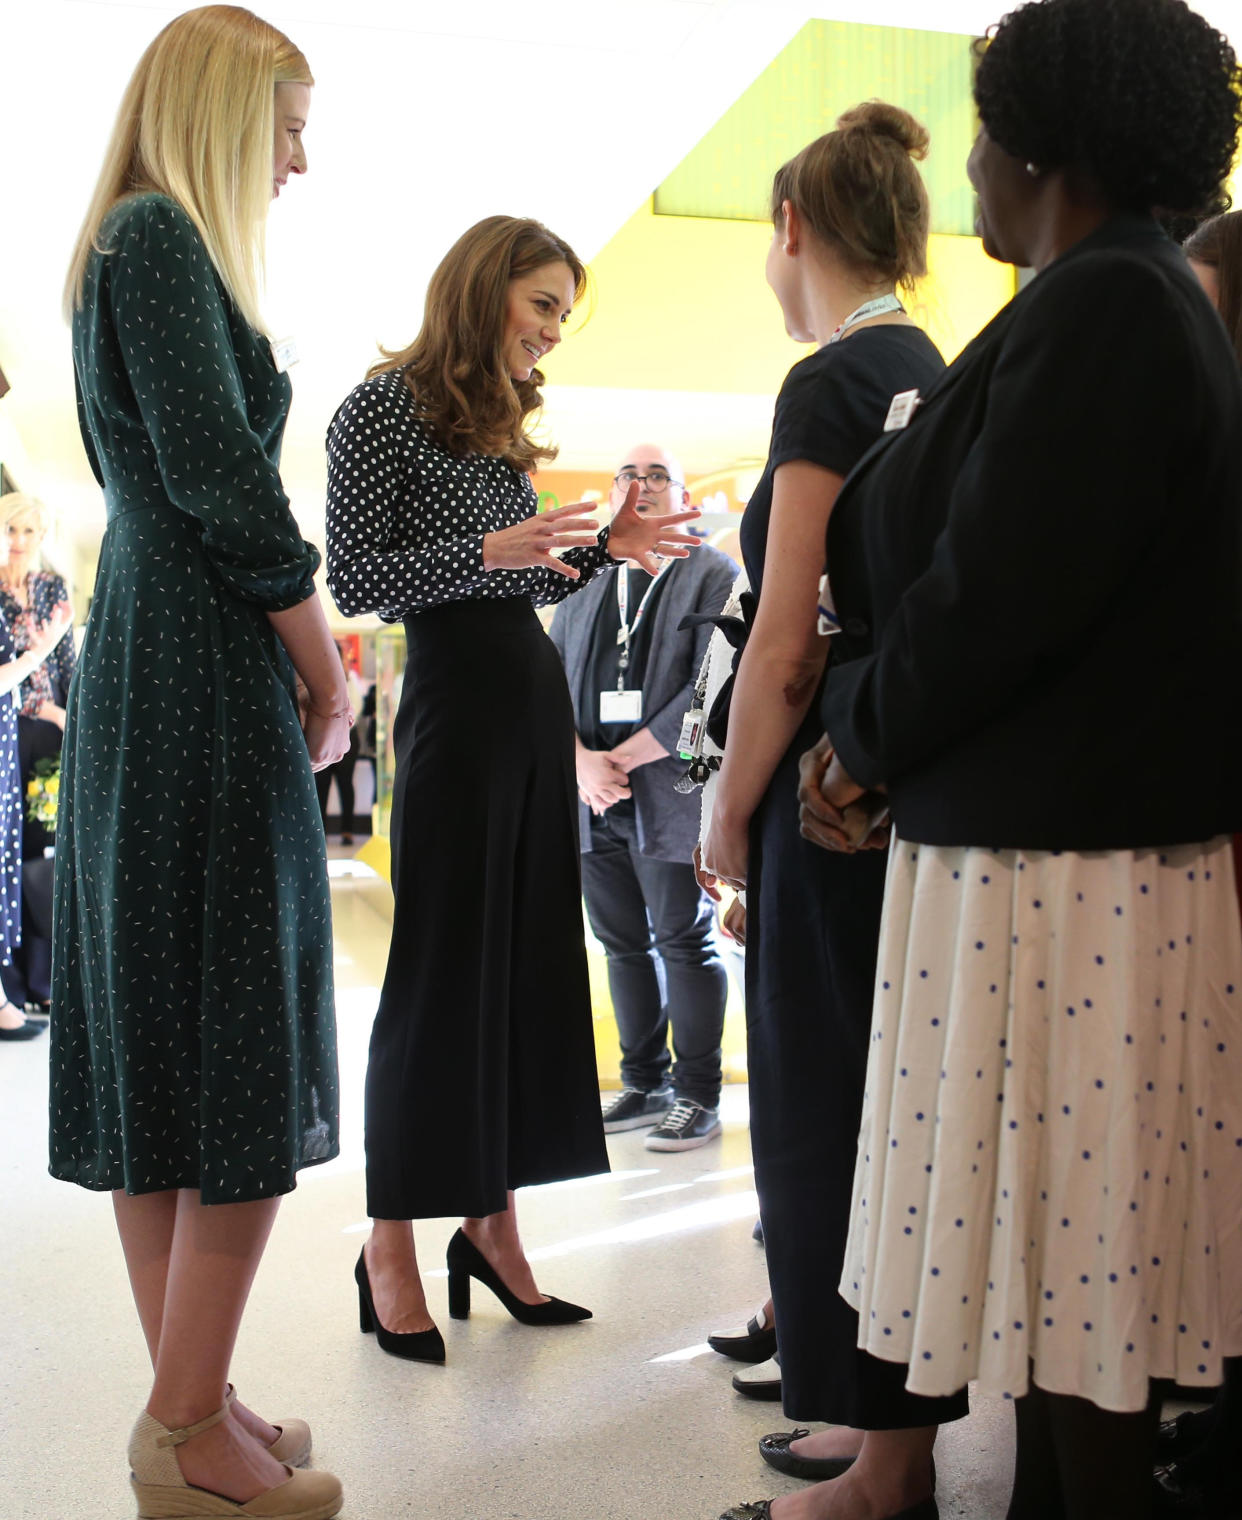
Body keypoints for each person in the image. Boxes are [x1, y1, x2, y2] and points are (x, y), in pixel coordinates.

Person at [793, 3, 1242, 1518]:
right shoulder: (1105, 294)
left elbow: (997, 597)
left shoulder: (1112, 306)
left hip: (1071, 878)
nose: (965, 164)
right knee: (1068, 1290)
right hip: (1053, 859)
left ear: (1042, 142)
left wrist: (851, 742)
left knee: (1081, 1284)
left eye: (982, 129)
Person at [56, 8, 347, 1517]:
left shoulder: (123, 243)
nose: (296, 162)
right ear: (231, 116)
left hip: (148, 652)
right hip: (199, 660)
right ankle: (182, 1437)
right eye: (289, 128)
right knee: (235, 1034)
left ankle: (197, 1404)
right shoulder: (164, 239)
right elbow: (229, 489)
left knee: (165, 1047)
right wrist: (330, 667)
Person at [325, 216, 699, 1361]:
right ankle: (388, 1241)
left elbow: (521, 572)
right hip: (453, 717)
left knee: (526, 971)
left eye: (558, 314)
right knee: (439, 975)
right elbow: (358, 573)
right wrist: (494, 552)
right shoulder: (378, 406)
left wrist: (598, 545)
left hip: (528, 711)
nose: (550, 332)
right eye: (540, 304)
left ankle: (493, 1224)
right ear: (486, 288)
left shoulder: (495, 428)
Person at [696, 103, 963, 1520]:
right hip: (908, 790)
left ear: (791, 228)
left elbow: (784, 640)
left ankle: (879, 1456)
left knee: (821, 1102)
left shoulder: (828, 382)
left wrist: (725, 809)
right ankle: (885, 1438)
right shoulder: (937, 365)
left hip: (821, 792)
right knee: (891, 1105)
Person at [548, 443, 736, 1150]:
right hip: (592, 797)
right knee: (621, 944)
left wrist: (618, 760)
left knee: (683, 942)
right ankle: (642, 1081)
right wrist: (581, 765)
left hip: (667, 791)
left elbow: (715, 692)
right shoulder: (583, 579)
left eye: (659, 476)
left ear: (682, 495)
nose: (644, 485)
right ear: (614, 492)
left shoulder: (713, 573)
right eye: (631, 474)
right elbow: (548, 681)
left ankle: (697, 1095)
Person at [0, 493, 76, 1018]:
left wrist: (68, 719)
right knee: (9, 849)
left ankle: (43, 980)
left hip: (50, 738)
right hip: (9, 732)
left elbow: (66, 664)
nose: (19, 541)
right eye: (11, 530)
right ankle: (12, 984)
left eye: (29, 531)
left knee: (40, 854)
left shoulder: (53, 589)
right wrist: (44, 709)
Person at [314, 640, 363, 843]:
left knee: (345, 784)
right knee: (321, 786)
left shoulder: (350, 678)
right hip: (324, 737)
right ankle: (320, 831)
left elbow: (356, 707)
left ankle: (347, 830)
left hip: (347, 737)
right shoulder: (317, 677)